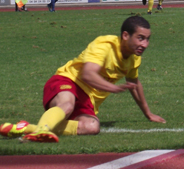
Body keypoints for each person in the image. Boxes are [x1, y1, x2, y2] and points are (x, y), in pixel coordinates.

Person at [0, 16, 165, 143]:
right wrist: (112, 87)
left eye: (147, 39)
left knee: (92, 127)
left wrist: (148, 113)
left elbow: (135, 84)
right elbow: (87, 74)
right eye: (140, 38)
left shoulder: (134, 58)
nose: (145, 44)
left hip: (87, 100)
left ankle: (27, 128)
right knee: (67, 105)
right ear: (125, 35)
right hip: (67, 81)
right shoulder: (104, 45)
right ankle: (41, 130)